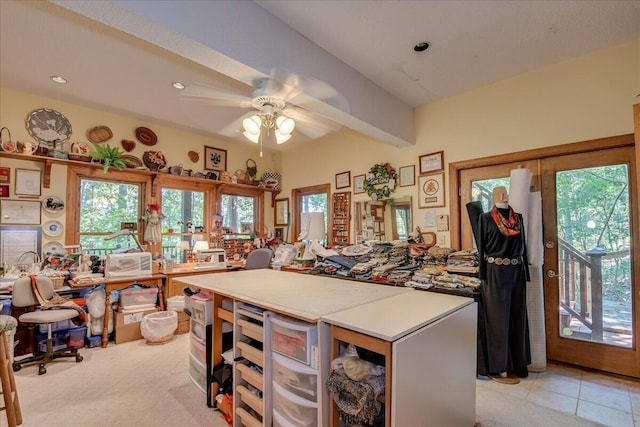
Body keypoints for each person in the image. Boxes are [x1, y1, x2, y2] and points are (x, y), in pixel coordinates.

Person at [478, 186, 531, 384]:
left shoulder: (518, 218)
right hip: (494, 273)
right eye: (499, 194)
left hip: (516, 271)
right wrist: (482, 275)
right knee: (497, 321)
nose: (502, 196)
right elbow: (482, 248)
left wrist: (525, 272)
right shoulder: (485, 218)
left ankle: (519, 363)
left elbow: (523, 246)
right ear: (495, 197)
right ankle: (499, 367)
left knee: (518, 316)